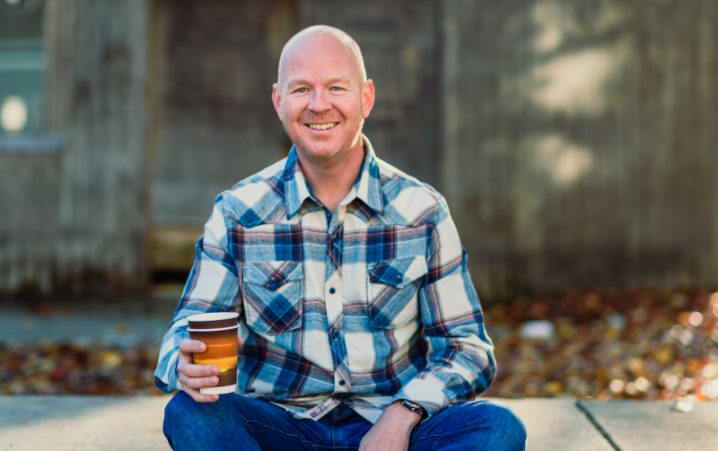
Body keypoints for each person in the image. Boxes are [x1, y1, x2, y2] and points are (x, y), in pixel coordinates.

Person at [155, 25, 527, 450]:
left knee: (497, 428)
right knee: (189, 414)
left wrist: (403, 414)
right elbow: (187, 326)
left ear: (365, 98)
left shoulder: (422, 211)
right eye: (301, 90)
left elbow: (468, 348)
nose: (318, 105)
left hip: (392, 432)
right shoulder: (238, 212)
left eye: (335, 87)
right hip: (281, 427)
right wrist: (181, 362)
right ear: (279, 101)